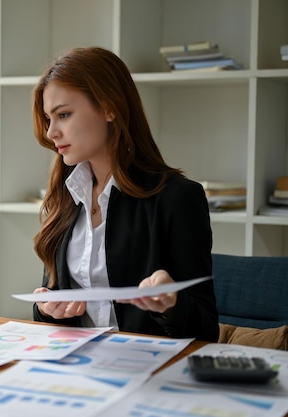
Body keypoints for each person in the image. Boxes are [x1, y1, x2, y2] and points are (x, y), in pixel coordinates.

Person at [30, 46, 219, 342]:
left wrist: (171, 304)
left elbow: (206, 330)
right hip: (77, 367)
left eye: (63, 114)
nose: (51, 132)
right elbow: (53, 307)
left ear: (109, 108)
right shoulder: (66, 195)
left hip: (149, 371)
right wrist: (48, 310)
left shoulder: (177, 199)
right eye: (48, 119)